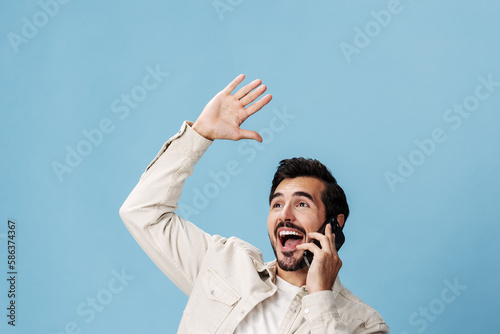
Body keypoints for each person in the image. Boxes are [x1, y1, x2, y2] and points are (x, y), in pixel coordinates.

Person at [119, 74, 389, 333]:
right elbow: (142, 212)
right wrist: (199, 135)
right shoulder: (222, 264)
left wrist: (320, 296)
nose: (285, 215)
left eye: (302, 204)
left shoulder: (364, 323)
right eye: (276, 204)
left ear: (334, 223)